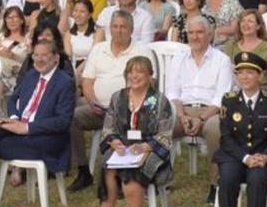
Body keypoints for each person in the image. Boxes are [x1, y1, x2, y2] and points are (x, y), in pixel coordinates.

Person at [0, 40, 75, 207]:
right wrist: (15, 119)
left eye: (44, 55)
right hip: (20, 128)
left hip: (47, 138)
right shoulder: (31, 75)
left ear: (56, 59)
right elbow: (13, 99)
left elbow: (63, 121)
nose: (39, 59)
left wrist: (27, 127)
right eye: (35, 55)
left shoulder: (65, 82)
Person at [68, 11, 154, 191]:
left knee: (129, 128)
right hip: (98, 108)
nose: (118, 30)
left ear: (131, 29)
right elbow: (87, 82)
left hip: (128, 112)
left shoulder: (142, 51)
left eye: (123, 27)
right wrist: (92, 102)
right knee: (72, 118)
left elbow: (150, 85)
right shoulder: (99, 49)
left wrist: (125, 106)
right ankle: (83, 171)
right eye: (115, 26)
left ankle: (121, 175)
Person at [168, 16, 233, 200]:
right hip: (183, 111)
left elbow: (222, 97)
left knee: (215, 128)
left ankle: (216, 184)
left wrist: (201, 119)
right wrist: (181, 117)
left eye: (199, 32)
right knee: (160, 124)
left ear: (209, 34)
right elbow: (172, 93)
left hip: (210, 112)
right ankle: (161, 178)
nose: (195, 37)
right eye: (191, 33)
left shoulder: (222, 60)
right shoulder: (178, 59)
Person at [98, 56, 174, 207]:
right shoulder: (118, 98)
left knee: (131, 183)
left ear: (149, 75)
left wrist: (145, 147)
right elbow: (107, 128)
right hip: (122, 151)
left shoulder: (159, 101)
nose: (134, 76)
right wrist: (114, 141)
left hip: (151, 151)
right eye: (130, 72)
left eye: (140, 72)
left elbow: (165, 136)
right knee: (108, 172)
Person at [214, 51, 267, 207]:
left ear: (260, 76)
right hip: (234, 156)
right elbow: (226, 138)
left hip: (261, 157)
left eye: (250, 72)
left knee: (257, 180)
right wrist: (245, 158)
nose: (244, 77)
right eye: (240, 73)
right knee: (227, 177)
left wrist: (266, 157)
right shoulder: (229, 100)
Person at [222, 10, 267, 86]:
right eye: (243, 21)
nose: (245, 24)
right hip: (232, 87)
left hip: (257, 88)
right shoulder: (231, 46)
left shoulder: (265, 47)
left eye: (250, 21)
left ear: (258, 26)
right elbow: (225, 70)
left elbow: (258, 72)